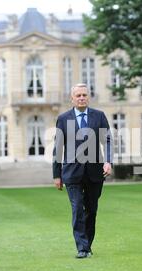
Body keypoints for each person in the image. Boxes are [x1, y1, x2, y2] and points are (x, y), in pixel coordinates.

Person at [52, 83, 113, 258]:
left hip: (95, 173)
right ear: (72, 99)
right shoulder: (63, 119)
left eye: (84, 95)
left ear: (88, 97)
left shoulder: (99, 116)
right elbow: (58, 148)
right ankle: (82, 248)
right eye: (78, 95)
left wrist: (108, 161)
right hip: (72, 173)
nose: (81, 98)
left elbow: (107, 141)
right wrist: (56, 174)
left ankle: (88, 245)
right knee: (77, 208)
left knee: (91, 210)